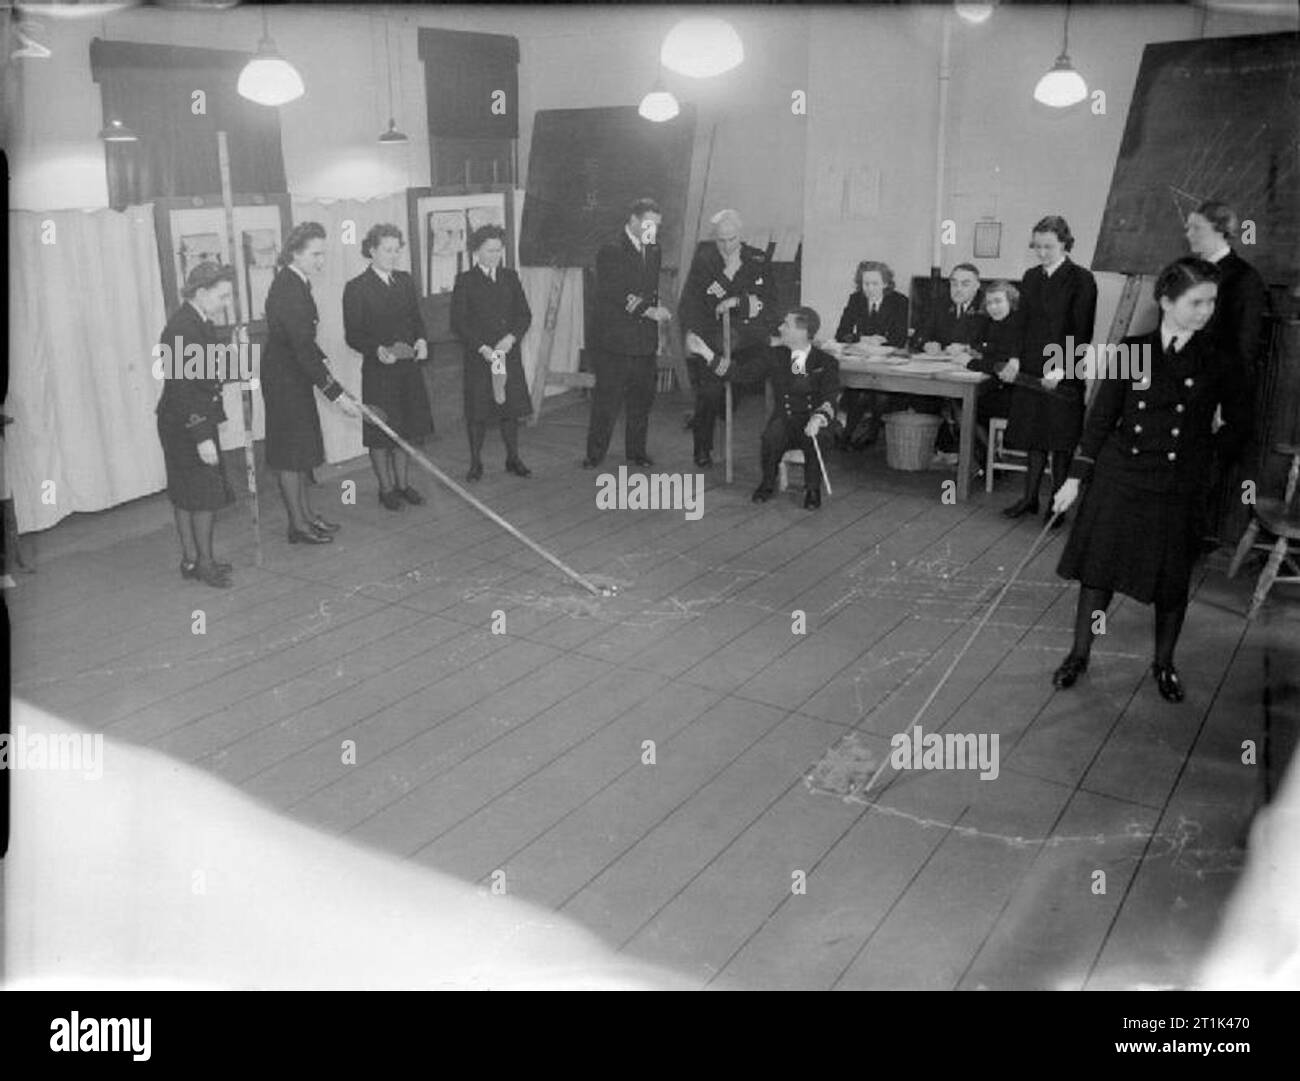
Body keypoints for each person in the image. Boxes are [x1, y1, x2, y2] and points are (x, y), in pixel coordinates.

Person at [1050, 257, 1251, 703]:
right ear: (1165, 300)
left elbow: (1240, 424)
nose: (1205, 311)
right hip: (1121, 477)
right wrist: (1075, 479)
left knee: (1171, 581)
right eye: (1196, 302)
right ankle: (1079, 655)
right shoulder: (1133, 349)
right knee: (1098, 573)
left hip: (1177, 484)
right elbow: (1100, 419)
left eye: (1211, 303)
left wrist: (1206, 462)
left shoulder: (1218, 358)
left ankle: (1163, 664)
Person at [262, 221, 360, 545]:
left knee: (301, 452)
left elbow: (301, 338)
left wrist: (322, 360)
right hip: (284, 381)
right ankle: (298, 525)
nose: (321, 261)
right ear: (295, 253)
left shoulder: (297, 282)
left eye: (323, 254)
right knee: (291, 455)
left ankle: (306, 516)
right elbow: (298, 345)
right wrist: (334, 393)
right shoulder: (288, 287)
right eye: (315, 254)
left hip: (294, 375)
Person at [1184, 200, 1270, 546]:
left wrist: (1220, 402)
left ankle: (1189, 549)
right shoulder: (1188, 271)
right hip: (1182, 387)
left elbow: (1244, 350)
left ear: (1221, 231)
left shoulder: (1244, 279)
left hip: (1216, 396)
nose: (1187, 233)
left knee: (1203, 478)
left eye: (1196, 228)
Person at [1003, 216, 1097, 523]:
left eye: (1048, 246)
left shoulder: (1081, 279)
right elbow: (1021, 323)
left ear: (1065, 244)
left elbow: (1082, 331)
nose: (1042, 253)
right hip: (1031, 368)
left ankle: (1056, 507)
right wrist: (1015, 358)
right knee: (1033, 435)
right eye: (1037, 246)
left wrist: (1063, 369)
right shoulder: (1031, 277)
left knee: (1059, 441)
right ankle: (1029, 498)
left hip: (1063, 371)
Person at [154, 262, 237, 587]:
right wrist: (203, 436)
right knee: (201, 494)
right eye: (222, 295)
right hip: (186, 425)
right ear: (201, 293)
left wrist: (234, 350)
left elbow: (212, 370)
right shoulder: (181, 328)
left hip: (187, 420)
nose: (226, 302)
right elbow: (183, 387)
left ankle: (191, 560)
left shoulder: (200, 321)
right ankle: (204, 563)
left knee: (187, 492)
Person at [343, 224, 432, 510]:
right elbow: (353, 334)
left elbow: (416, 318)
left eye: (397, 250)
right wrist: (376, 350)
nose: (393, 256)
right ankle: (386, 489)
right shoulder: (356, 288)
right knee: (381, 433)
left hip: (407, 369)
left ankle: (404, 485)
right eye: (387, 250)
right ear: (372, 250)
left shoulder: (405, 281)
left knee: (405, 428)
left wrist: (421, 339)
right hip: (378, 372)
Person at [679, 209, 777, 467]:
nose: (726, 245)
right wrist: (727, 275)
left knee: (750, 378)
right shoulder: (704, 259)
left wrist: (738, 301)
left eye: (731, 239)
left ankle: (772, 446)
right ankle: (702, 448)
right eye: (721, 240)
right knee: (709, 393)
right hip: (714, 340)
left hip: (749, 341)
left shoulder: (757, 259)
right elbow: (692, 303)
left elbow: (770, 304)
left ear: (740, 236)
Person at [584, 198, 672, 469]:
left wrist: (657, 327)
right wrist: (650, 311)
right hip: (614, 341)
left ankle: (637, 452)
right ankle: (595, 455)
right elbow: (617, 292)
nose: (652, 231)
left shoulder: (654, 250)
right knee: (607, 401)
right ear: (633, 220)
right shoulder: (611, 250)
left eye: (656, 226)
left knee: (641, 400)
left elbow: (650, 290)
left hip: (643, 340)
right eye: (648, 224)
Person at [725, 306, 839, 510]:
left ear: (802, 332)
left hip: (812, 420)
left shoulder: (826, 362)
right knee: (771, 437)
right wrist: (707, 355)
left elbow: (831, 396)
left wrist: (819, 418)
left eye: (786, 324)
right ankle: (767, 483)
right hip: (786, 418)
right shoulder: (775, 356)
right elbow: (742, 373)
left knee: (818, 438)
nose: (780, 327)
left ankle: (812, 489)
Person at [449, 224, 534, 481]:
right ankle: (476, 463)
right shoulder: (465, 281)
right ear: (476, 251)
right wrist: (482, 347)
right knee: (478, 412)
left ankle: (513, 458)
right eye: (489, 250)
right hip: (481, 358)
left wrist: (511, 338)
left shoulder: (510, 277)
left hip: (507, 355)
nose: (495, 255)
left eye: (499, 250)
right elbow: (459, 323)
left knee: (509, 409)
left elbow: (524, 315)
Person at [834, 259, 909, 447]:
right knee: (860, 391)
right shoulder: (856, 299)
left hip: (887, 363)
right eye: (865, 283)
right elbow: (841, 333)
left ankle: (865, 434)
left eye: (874, 283)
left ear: (885, 283)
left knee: (878, 395)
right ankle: (849, 435)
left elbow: (900, 338)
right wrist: (860, 338)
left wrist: (882, 340)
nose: (869, 288)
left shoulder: (899, 302)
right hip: (863, 361)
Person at [967, 280, 1024, 429]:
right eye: (989, 303)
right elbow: (983, 346)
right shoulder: (995, 323)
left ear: (1011, 301)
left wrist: (968, 362)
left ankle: (983, 451)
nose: (993, 307)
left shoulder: (1015, 325)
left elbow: (999, 366)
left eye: (998, 302)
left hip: (1015, 395)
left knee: (967, 404)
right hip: (1001, 388)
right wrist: (974, 351)